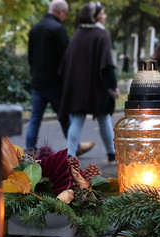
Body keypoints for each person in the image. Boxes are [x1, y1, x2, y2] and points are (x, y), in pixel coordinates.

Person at [26, 0, 95, 155]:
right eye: (66, 13)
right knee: (64, 116)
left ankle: (30, 150)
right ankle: (75, 146)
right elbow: (67, 58)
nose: (65, 16)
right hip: (56, 83)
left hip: (38, 82)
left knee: (35, 118)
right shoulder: (58, 29)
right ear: (60, 11)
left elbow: (30, 57)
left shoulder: (34, 29)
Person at [59, 2, 119, 161]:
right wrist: (113, 86)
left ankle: (71, 154)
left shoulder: (78, 34)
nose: (105, 16)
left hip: (78, 87)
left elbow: (67, 62)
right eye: (103, 14)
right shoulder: (102, 35)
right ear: (96, 16)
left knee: (77, 119)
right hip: (98, 87)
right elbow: (107, 65)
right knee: (104, 119)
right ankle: (112, 153)